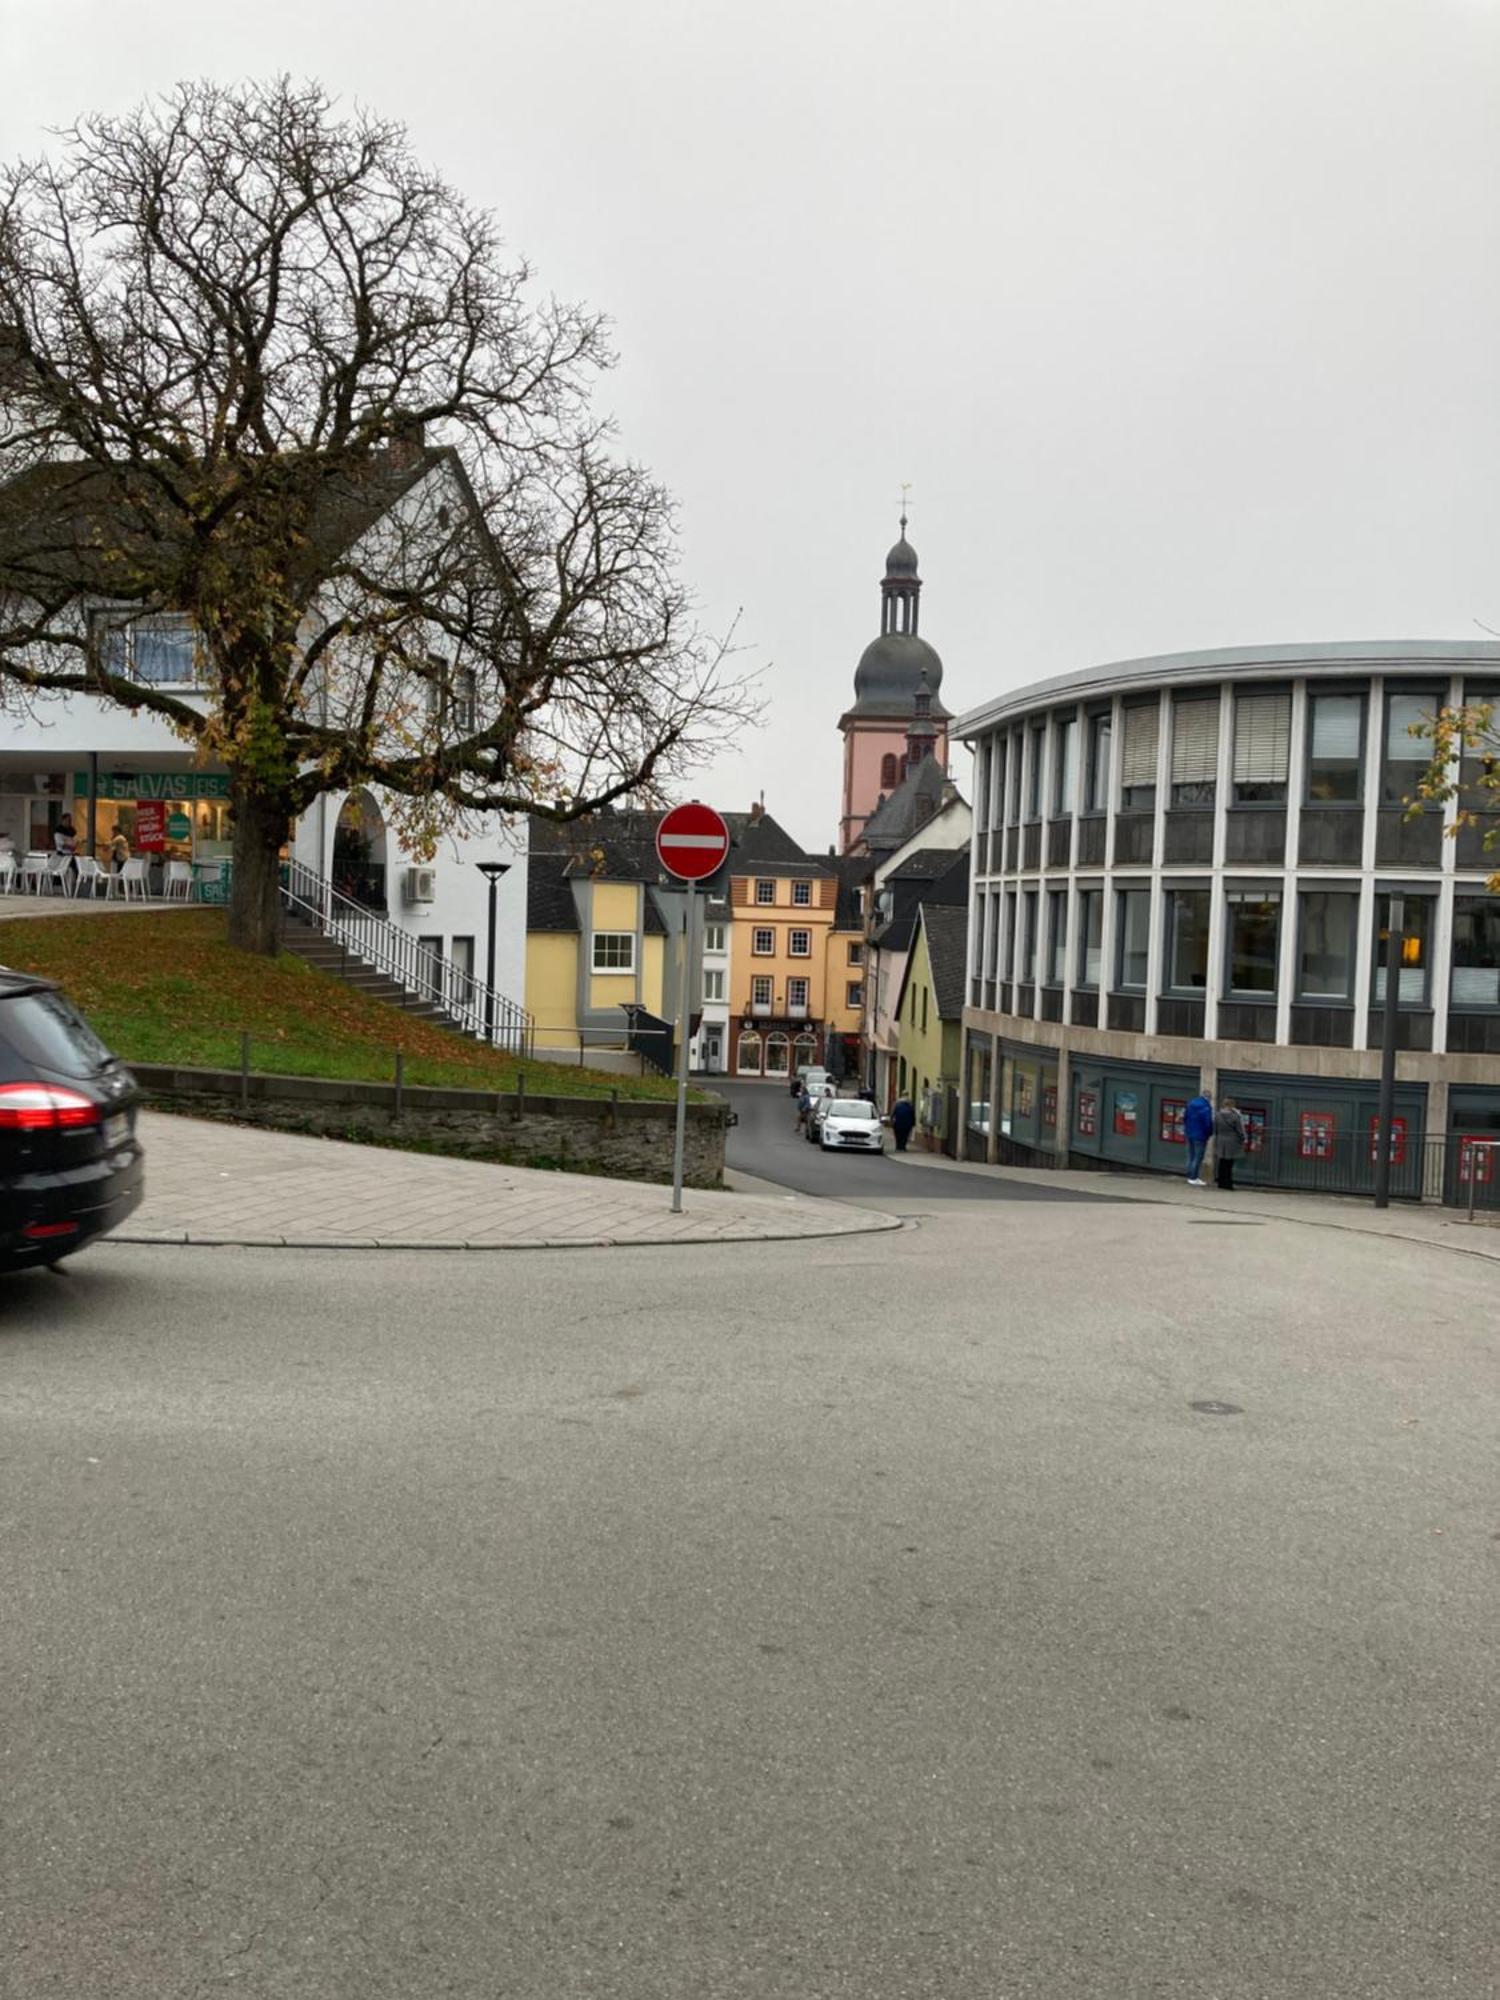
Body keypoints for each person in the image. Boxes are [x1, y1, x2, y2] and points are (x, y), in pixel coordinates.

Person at [1214, 1098, 1248, 1190]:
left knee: (1222, 1162)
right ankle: (1228, 1183)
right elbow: (1239, 1130)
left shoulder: (1217, 1115)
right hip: (1232, 1141)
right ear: (1231, 1106)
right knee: (1229, 1163)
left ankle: (1221, 1182)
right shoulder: (1235, 1116)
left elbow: (1215, 1128)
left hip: (1221, 1139)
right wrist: (1243, 1139)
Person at [1183, 1090, 1215, 1186]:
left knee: (1191, 1155)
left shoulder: (1191, 1103)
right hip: (1200, 1135)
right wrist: (1209, 1133)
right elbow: (1208, 1123)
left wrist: (1187, 1129)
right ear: (1209, 1097)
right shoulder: (1206, 1107)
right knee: (1198, 1157)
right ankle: (1193, 1177)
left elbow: (1185, 1117)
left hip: (1189, 1133)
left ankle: (1189, 1175)